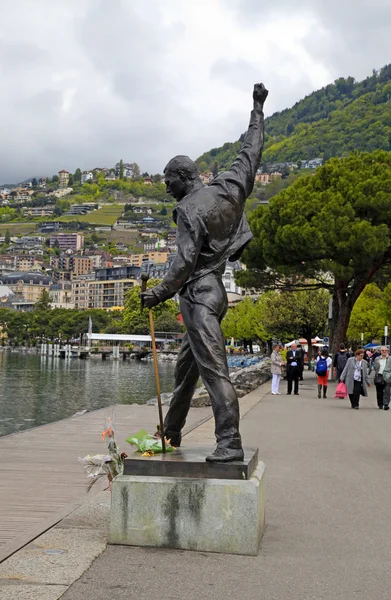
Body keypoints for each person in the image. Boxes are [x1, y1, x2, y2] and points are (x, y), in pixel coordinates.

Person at [141, 83, 268, 463]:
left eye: (168, 180)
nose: (165, 188)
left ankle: (230, 442)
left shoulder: (188, 210)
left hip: (198, 296)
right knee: (186, 371)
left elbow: (182, 261)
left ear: (183, 175)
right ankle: (172, 432)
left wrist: (159, 292)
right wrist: (257, 109)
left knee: (214, 372)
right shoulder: (229, 188)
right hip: (215, 294)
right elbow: (251, 150)